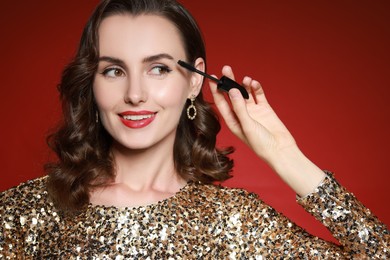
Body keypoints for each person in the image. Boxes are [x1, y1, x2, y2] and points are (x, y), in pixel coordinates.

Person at [0, 0, 388, 258]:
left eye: (159, 68)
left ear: (193, 80)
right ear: (92, 82)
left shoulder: (236, 221)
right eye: (114, 70)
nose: (135, 94)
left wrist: (284, 155)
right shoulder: (27, 211)